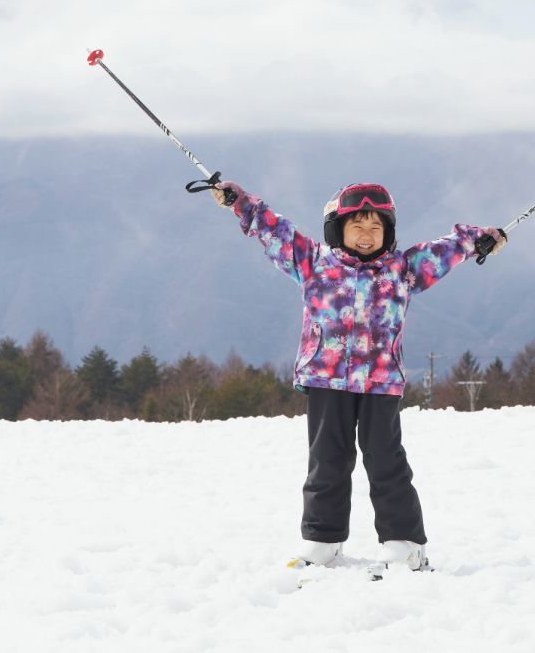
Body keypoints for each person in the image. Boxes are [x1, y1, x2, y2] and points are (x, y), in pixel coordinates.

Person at [211, 180, 505, 571]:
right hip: (325, 380)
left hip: (381, 383)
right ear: (338, 229)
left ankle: (405, 543)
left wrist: (479, 240)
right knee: (327, 462)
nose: (366, 236)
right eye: (357, 226)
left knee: (385, 460)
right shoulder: (312, 263)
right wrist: (241, 203)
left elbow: (445, 250)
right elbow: (273, 231)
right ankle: (322, 540)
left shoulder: (403, 270)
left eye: (375, 228)